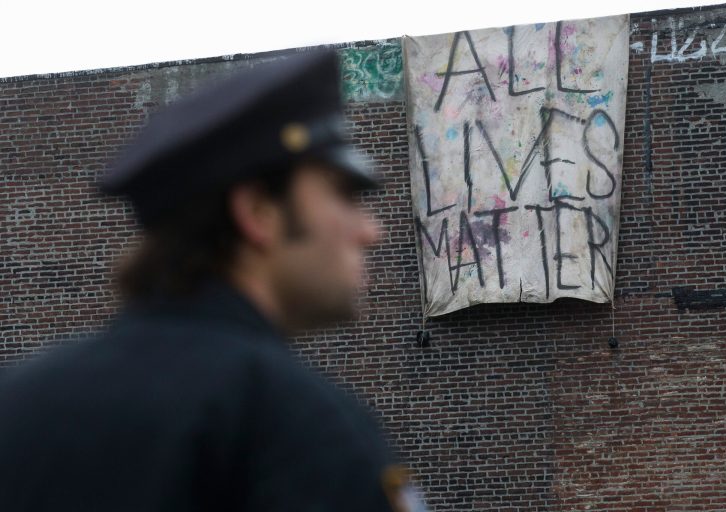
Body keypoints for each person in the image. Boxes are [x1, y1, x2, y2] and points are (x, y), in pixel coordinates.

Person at [0, 50, 425, 512]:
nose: (370, 231)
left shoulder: (19, 402)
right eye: (344, 195)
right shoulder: (298, 423)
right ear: (258, 211)